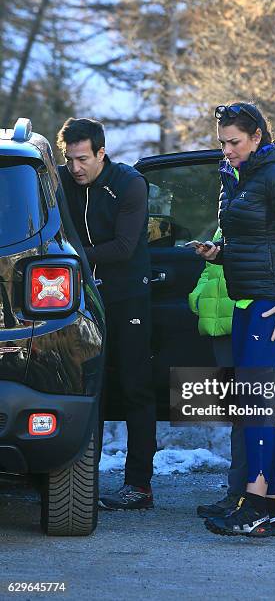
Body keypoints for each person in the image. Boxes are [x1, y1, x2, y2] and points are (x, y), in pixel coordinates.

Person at [196, 103, 275, 537]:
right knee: (253, 403)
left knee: (255, 402)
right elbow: (259, 244)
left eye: (234, 142)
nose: (227, 150)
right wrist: (221, 253)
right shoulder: (236, 178)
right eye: (222, 143)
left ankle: (260, 505)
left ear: (256, 137)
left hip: (274, 303)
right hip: (247, 300)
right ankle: (266, 509)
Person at [56, 117, 156, 510]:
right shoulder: (62, 181)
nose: (75, 168)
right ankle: (82, 482)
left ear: (101, 152)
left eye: (82, 159)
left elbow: (124, 247)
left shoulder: (129, 183)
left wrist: (68, 257)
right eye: (69, 160)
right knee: (85, 389)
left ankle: (139, 485)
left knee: (136, 388)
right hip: (79, 298)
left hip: (127, 295)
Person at [189, 229, 248, 518]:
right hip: (221, 328)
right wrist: (199, 298)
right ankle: (238, 493)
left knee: (249, 412)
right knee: (238, 412)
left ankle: (246, 495)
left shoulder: (258, 208)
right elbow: (211, 272)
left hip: (245, 322)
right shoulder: (229, 216)